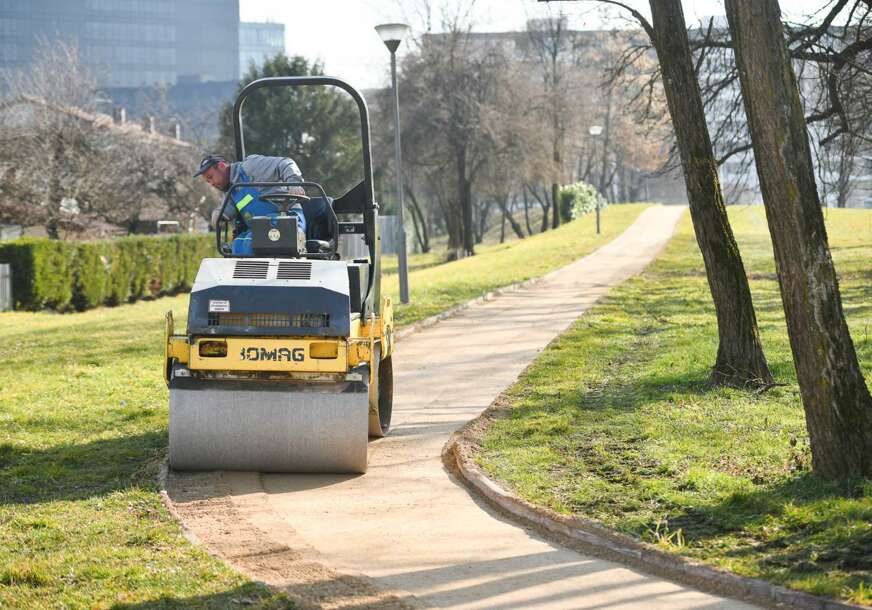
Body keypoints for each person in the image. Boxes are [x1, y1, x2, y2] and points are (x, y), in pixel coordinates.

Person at [195, 153, 308, 255]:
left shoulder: (250, 167)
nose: (212, 184)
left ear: (221, 166)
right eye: (208, 181)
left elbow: (285, 163)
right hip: (259, 228)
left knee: (252, 242)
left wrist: (294, 183)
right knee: (239, 244)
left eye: (211, 177)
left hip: (287, 219)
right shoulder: (232, 192)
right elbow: (228, 209)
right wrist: (219, 214)